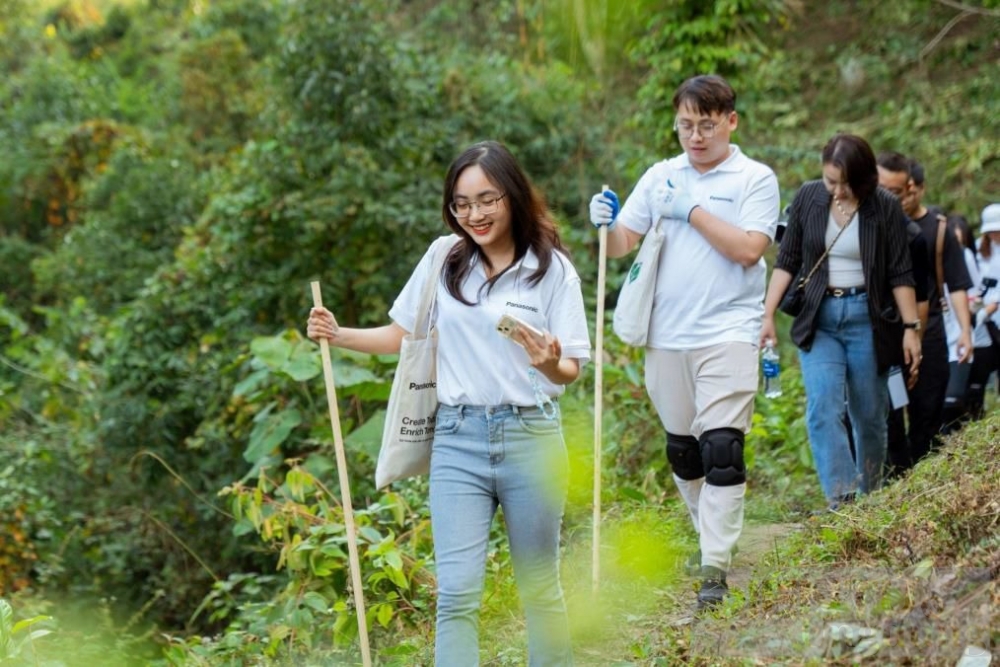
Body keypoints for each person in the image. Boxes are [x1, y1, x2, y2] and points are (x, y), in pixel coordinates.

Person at [308, 141, 590, 666]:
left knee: (540, 590)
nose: (474, 214)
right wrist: (338, 333)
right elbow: (401, 334)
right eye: (462, 204)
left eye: (487, 200)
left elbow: (570, 368)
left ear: (513, 198)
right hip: (457, 440)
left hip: (531, 437)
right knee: (457, 594)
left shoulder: (551, 270)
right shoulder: (444, 259)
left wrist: (546, 360)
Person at [589, 74, 780, 610]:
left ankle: (714, 568)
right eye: (685, 126)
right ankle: (710, 536)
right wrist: (604, 222)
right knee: (685, 452)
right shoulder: (660, 176)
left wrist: (690, 211)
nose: (695, 136)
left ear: (731, 122)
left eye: (706, 125)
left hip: (728, 330)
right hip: (665, 334)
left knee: (722, 448)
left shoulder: (754, 179)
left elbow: (748, 249)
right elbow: (623, 243)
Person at [762, 134, 921, 510]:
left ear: (864, 178)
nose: (836, 190)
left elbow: (901, 272)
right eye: (830, 181)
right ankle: (843, 501)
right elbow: (788, 259)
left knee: (869, 415)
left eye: (844, 183)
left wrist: (912, 330)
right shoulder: (809, 197)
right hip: (821, 317)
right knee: (823, 407)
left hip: (868, 317)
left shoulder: (882, 206)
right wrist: (766, 314)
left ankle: (871, 496)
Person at [876, 153, 972, 470]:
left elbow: (956, 285)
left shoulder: (938, 230)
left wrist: (966, 332)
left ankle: (921, 477)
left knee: (926, 412)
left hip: (928, 335)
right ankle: (896, 476)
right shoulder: (874, 225)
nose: (895, 199)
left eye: (899, 191)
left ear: (913, 187)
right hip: (887, 338)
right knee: (888, 414)